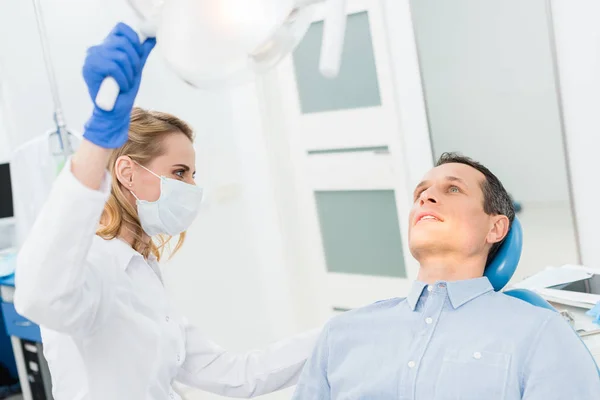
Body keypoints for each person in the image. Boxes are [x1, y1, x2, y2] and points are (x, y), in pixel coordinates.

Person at [13, 23, 318, 400]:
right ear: (127, 173)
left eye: (192, 174)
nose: (191, 188)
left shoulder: (143, 273)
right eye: (179, 173)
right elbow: (39, 295)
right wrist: (99, 135)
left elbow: (237, 376)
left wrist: (340, 333)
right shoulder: (95, 267)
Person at [292, 153, 600, 399]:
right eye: (420, 192)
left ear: (495, 228)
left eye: (453, 189)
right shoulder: (341, 335)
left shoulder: (541, 334)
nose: (426, 197)